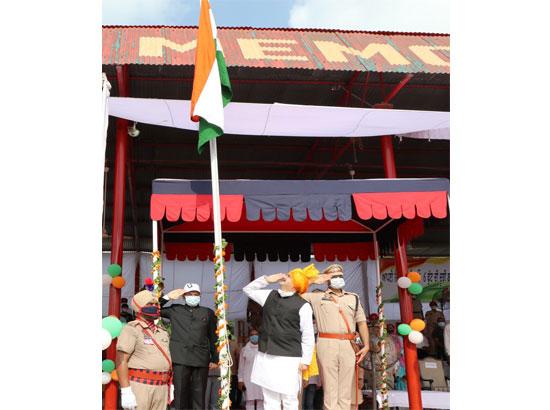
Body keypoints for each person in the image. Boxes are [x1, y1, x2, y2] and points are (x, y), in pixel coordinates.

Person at [243, 266, 316, 410]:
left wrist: (306, 361)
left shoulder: (303, 306)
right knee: (270, 400)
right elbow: (248, 290)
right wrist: (267, 279)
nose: (284, 276)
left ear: (295, 284)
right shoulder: (270, 295)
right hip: (267, 355)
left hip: (289, 359)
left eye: (288, 276)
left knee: (289, 399)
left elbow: (308, 335)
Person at [301, 264, 370, 410]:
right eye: (333, 276)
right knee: (330, 389)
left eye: (340, 276)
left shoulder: (353, 298)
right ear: (327, 279)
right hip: (327, 342)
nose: (338, 279)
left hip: (348, 344)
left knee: (346, 390)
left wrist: (366, 345)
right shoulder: (316, 296)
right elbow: (293, 294)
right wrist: (313, 281)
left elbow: (362, 322)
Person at [160, 283, 219, 410]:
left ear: (200, 296)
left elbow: (213, 336)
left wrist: (215, 358)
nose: (193, 296)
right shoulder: (175, 309)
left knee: (199, 394)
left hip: (200, 358)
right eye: (189, 294)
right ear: (183, 296)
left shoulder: (207, 312)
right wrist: (168, 297)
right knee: (180, 393)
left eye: (195, 294)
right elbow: (153, 309)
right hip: (180, 358)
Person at [116, 289, 173, 410]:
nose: (154, 306)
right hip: (140, 386)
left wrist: (170, 384)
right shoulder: (131, 329)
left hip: (161, 387)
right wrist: (126, 391)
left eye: (156, 304)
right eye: (149, 304)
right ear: (138, 307)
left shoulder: (162, 332)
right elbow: (121, 361)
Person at [238, 328, 264, 410]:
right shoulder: (244, 350)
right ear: (249, 336)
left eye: (256, 334)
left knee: (261, 401)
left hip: (261, 379)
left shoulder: (263, 349)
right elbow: (241, 366)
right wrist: (240, 380)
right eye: (252, 335)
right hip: (248, 379)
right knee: (249, 401)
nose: (254, 336)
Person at [301, 318, 321, 410]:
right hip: (301, 377)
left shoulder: (319, 341)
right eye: (312, 323)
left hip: (313, 379)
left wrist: (319, 380)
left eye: (314, 323)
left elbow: (319, 362)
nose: (313, 325)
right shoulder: (302, 339)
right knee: (301, 403)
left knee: (309, 404)